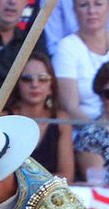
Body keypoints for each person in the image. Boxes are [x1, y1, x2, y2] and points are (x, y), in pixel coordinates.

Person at [6, 48, 73, 180]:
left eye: (42, 79)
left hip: (50, 196)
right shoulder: (4, 118)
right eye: (26, 79)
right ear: (17, 84)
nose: (34, 84)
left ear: (51, 87)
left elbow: (67, 175)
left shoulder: (61, 121)